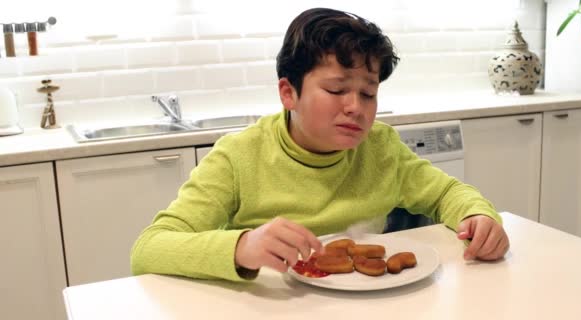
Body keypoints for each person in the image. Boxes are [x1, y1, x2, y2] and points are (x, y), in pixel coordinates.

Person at [130, 7, 509, 281]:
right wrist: (241, 247)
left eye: (368, 93)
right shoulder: (237, 157)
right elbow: (148, 249)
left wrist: (478, 216)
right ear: (288, 93)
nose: (355, 108)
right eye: (336, 89)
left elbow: (446, 193)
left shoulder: (380, 146)